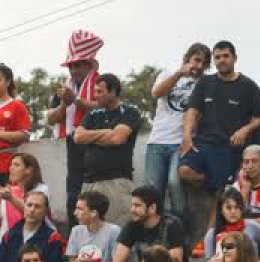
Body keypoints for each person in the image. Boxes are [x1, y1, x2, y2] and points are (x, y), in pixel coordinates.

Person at [178, 40, 260, 237]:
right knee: (184, 171)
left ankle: (209, 240)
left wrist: (245, 130)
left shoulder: (248, 86)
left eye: (226, 56)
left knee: (219, 197)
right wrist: (186, 136)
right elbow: (192, 110)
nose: (222, 60)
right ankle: (212, 181)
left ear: (234, 58)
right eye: (217, 57)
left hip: (228, 148)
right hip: (203, 143)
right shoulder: (205, 83)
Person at [146, 43, 211, 213]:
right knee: (153, 191)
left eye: (204, 63)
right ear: (187, 58)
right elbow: (156, 93)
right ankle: (157, 232)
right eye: (196, 60)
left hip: (182, 143)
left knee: (175, 183)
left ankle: (180, 231)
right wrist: (179, 74)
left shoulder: (205, 83)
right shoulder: (168, 74)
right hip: (157, 141)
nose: (199, 66)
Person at [48, 29, 103, 227]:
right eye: (71, 66)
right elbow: (51, 118)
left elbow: (104, 107)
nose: (74, 71)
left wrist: (77, 101)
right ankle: (74, 238)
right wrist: (65, 103)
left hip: (96, 142)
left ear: (90, 65)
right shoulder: (65, 88)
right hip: (73, 144)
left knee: (95, 195)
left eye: (79, 65)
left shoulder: (101, 83)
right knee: (73, 195)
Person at [72, 73, 141, 227]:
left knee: (118, 230)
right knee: (87, 230)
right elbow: (78, 137)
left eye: (100, 92)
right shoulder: (92, 114)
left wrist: (92, 136)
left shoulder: (129, 111)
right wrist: (108, 132)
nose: (95, 96)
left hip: (116, 181)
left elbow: (118, 138)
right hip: (89, 182)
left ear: (113, 92)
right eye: (95, 91)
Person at [104, 185, 186, 262]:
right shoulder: (132, 226)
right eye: (132, 205)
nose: (132, 210)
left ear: (152, 208)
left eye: (137, 206)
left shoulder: (172, 225)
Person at [0, 191, 65, 262]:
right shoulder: (10, 233)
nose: (32, 210)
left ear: (45, 211)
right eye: (29, 205)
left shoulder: (52, 238)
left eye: (37, 206)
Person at [0, 153, 50, 244]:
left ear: (29, 170)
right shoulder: (8, 191)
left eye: (16, 165)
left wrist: (11, 198)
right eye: (11, 165)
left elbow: (32, 211)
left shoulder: (41, 188)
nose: (10, 168)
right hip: (7, 244)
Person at [64, 191, 121, 262]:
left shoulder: (113, 231)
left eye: (80, 209)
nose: (75, 213)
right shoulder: (76, 231)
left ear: (93, 213)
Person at [203, 188, 260, 262]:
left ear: (242, 209)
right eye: (228, 208)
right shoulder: (211, 234)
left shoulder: (253, 226)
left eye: (236, 207)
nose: (233, 211)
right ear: (221, 210)